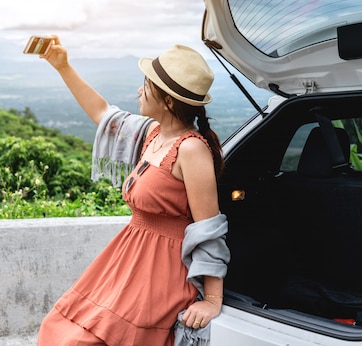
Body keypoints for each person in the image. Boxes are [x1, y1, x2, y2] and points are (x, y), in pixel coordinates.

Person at [36, 35, 230, 346]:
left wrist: (211, 299)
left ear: (168, 100)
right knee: (59, 327)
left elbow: (208, 228)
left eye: (147, 85)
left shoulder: (192, 150)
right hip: (128, 259)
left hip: (161, 270)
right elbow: (103, 114)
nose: (139, 90)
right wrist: (63, 67)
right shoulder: (152, 133)